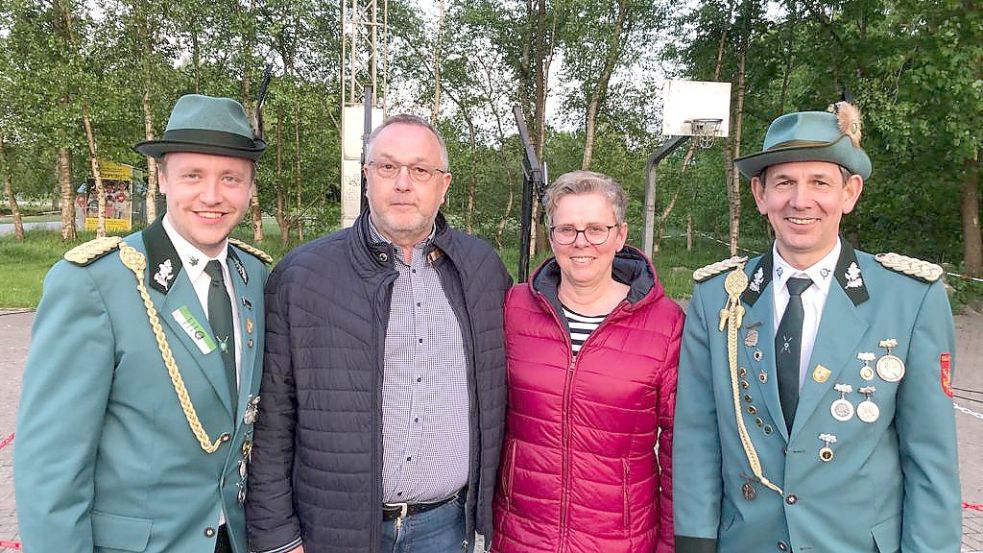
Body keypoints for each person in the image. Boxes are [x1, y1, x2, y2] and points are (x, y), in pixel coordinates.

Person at [673, 101, 961, 552]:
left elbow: (931, 460)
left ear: (850, 193)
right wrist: (694, 543)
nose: (800, 201)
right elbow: (697, 440)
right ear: (759, 194)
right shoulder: (718, 298)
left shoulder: (909, 299)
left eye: (819, 183)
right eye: (784, 182)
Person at [14, 94, 271, 553]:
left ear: (250, 189)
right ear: (163, 179)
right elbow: (51, 469)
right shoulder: (97, 284)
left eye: (230, 178)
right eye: (193, 175)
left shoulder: (256, 277)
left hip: (234, 539)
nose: (212, 196)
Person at [245, 114, 511, 553]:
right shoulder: (303, 275)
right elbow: (274, 415)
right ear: (366, 177)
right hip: (331, 532)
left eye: (420, 170)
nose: (403, 183)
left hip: (445, 529)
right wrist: (277, 536)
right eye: (387, 167)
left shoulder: (482, 268)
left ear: (443, 184)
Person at [492, 171, 683, 553]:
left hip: (620, 540)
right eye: (567, 229)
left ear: (620, 235)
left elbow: (681, 449)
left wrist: (670, 542)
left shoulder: (666, 322)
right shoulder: (513, 308)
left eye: (596, 229)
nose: (581, 243)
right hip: (522, 535)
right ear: (552, 237)